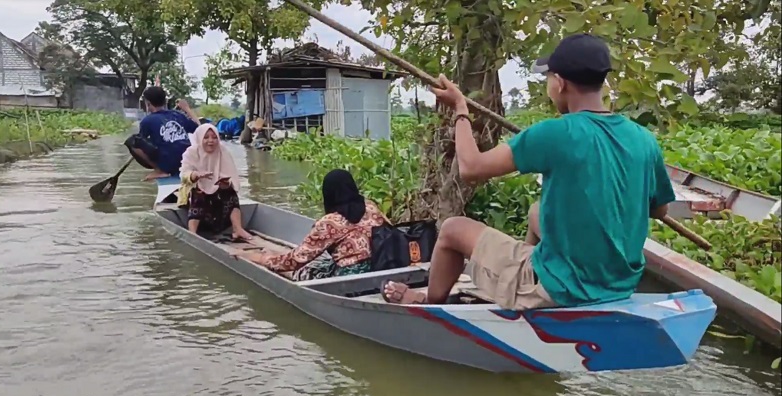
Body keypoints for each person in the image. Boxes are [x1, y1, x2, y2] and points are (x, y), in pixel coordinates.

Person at [380, 34, 677, 308]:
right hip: (618, 285)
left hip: (563, 290)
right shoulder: (643, 139)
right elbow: (659, 210)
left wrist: (460, 110)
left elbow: (470, 168)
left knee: (452, 230)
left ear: (560, 83)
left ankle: (429, 304)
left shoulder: (555, 133)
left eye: (548, 79)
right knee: (537, 211)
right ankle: (519, 277)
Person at [231, 169, 389, 279]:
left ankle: (271, 257)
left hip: (351, 277)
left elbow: (294, 261)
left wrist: (259, 257)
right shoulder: (371, 207)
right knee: (325, 263)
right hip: (383, 266)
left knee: (302, 272)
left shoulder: (330, 223)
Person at [178, 123, 252, 241]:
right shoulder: (191, 152)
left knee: (230, 192)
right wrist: (196, 175)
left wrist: (225, 184)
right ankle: (192, 232)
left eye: (214, 137)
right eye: (206, 137)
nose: (210, 141)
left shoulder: (223, 151)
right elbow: (183, 175)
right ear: (200, 138)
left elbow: (231, 176)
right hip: (195, 191)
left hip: (217, 191)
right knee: (199, 191)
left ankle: (237, 228)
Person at [130, 86, 201, 180]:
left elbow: (140, 142)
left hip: (170, 165)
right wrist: (187, 109)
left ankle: (160, 170)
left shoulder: (147, 121)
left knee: (132, 142)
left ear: (148, 103)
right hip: (189, 160)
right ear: (165, 101)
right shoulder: (178, 114)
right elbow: (200, 128)